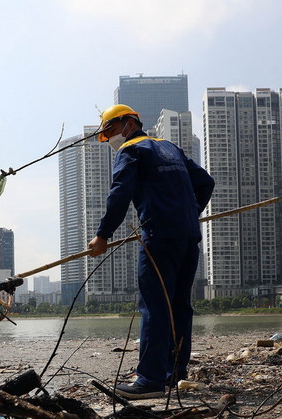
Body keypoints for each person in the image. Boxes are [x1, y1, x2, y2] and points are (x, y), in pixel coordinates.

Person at [87, 104, 214, 399]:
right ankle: (174, 374)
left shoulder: (131, 150)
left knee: (155, 307)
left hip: (159, 239)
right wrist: (190, 213)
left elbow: (120, 193)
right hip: (188, 237)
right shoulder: (170, 148)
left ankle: (150, 380)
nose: (110, 141)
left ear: (128, 123)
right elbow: (206, 182)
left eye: (109, 132)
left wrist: (103, 235)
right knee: (179, 306)